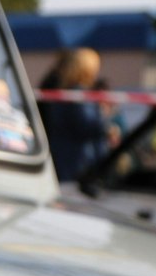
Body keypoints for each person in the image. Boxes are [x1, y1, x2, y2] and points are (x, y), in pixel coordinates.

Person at [38, 47, 110, 181]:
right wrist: (103, 116)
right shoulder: (78, 96)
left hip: (65, 158)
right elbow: (86, 125)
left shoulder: (64, 92)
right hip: (79, 162)